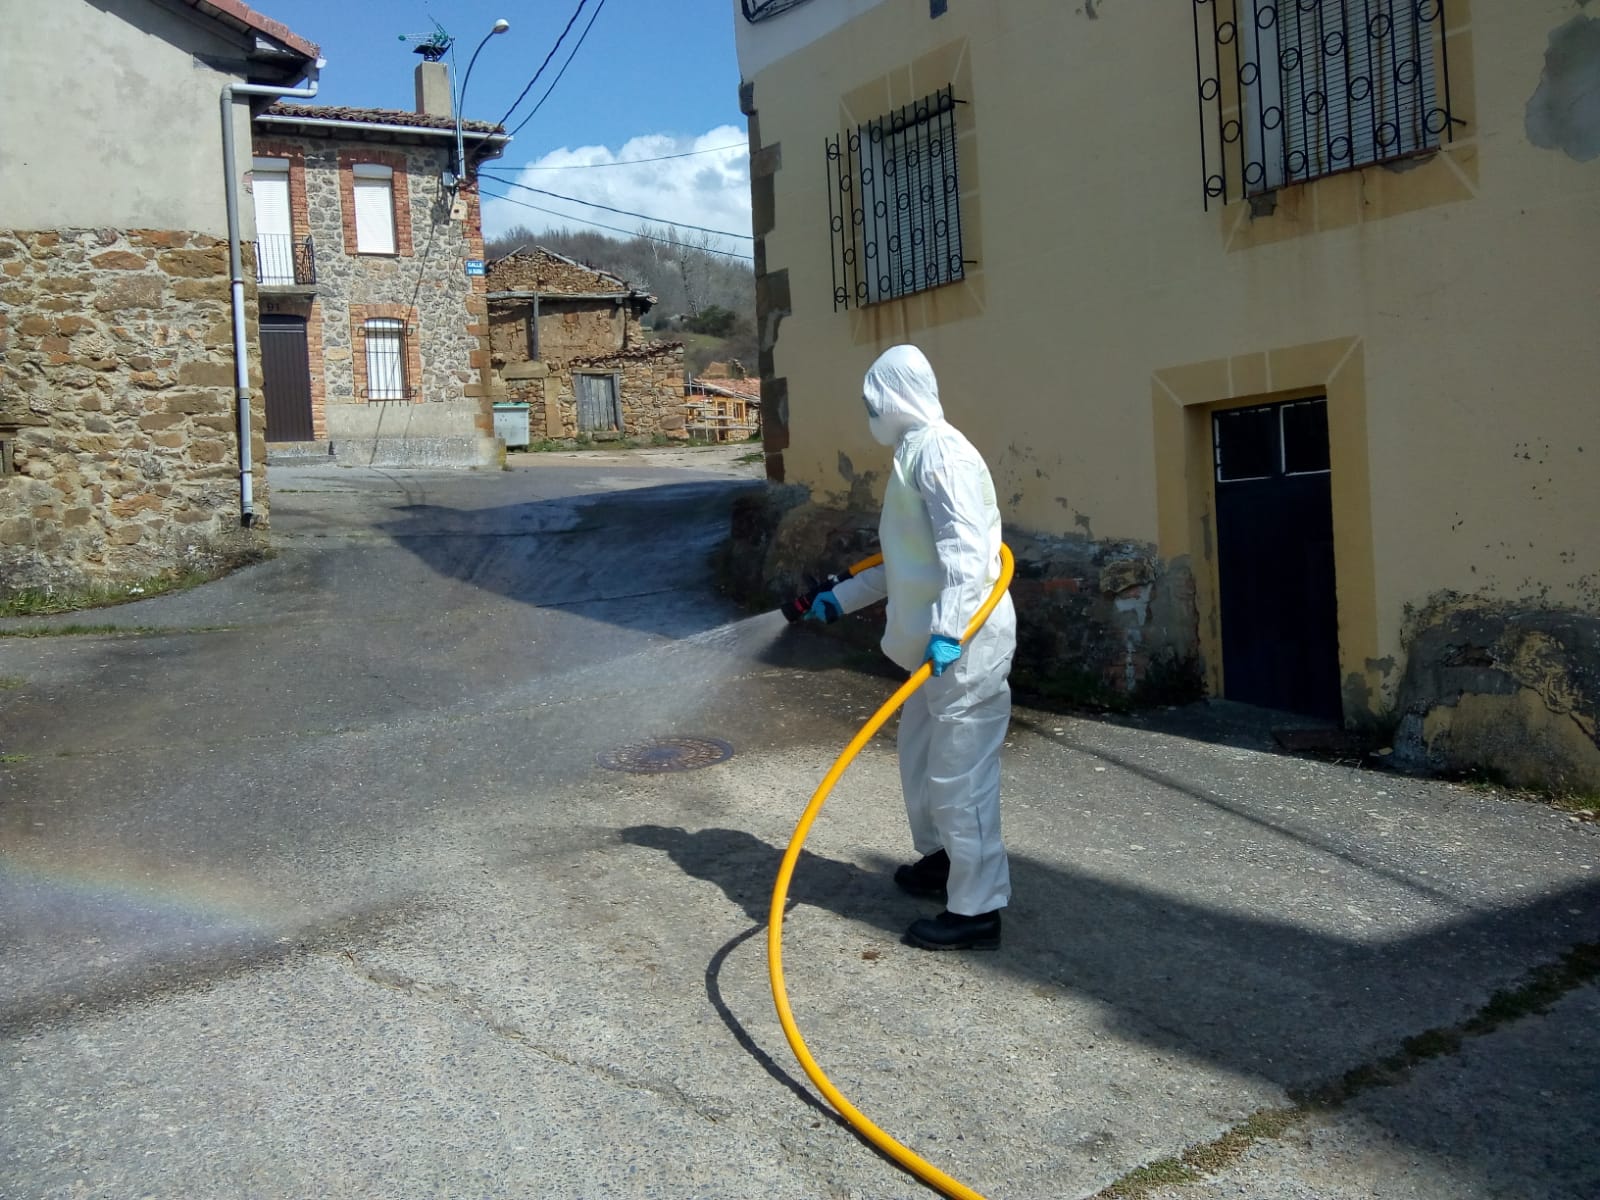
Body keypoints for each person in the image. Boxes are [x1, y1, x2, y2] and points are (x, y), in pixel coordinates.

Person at [803, 344, 1017, 951]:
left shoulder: (942, 452)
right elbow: (908, 562)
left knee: (959, 778)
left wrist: (949, 629)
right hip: (935, 650)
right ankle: (946, 862)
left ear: (897, 394)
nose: (869, 408)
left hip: (965, 644)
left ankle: (977, 909)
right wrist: (840, 599)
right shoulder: (912, 454)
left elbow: (967, 554)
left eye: (875, 396)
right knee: (922, 764)